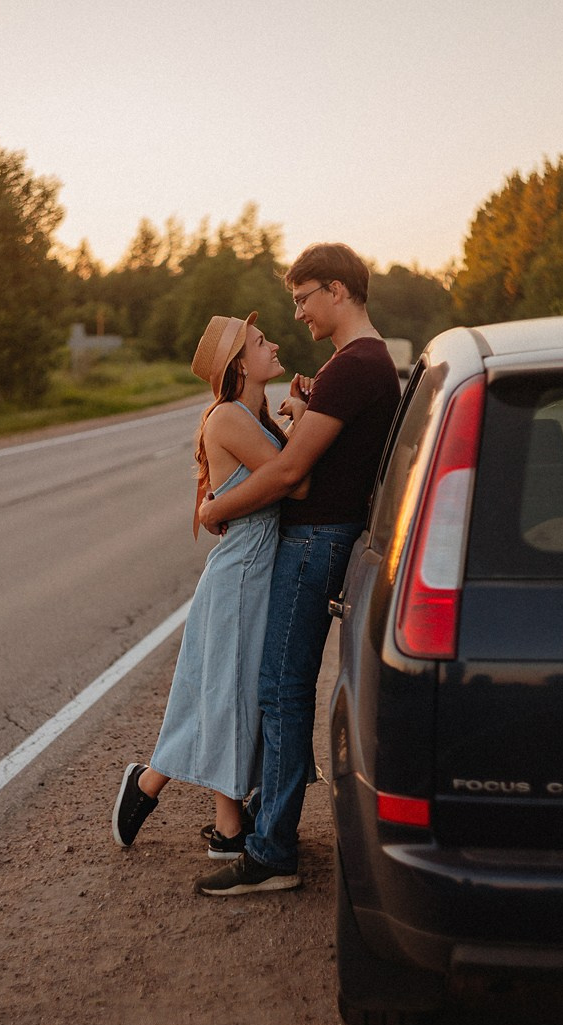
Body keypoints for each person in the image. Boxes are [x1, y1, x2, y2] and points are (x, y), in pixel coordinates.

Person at [194, 242, 401, 896]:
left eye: (303, 298)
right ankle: (270, 829)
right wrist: (306, 410)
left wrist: (214, 508)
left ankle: (272, 852)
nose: (298, 313)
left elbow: (288, 473)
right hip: (323, 538)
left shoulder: (355, 365)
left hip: (315, 541)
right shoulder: (358, 364)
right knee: (282, 686)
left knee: (282, 689)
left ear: (337, 290)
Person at [111, 311, 310, 858]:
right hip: (239, 578)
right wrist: (303, 419)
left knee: (230, 694)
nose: (273, 344)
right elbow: (293, 480)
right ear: (239, 365)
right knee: (228, 695)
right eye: (260, 342)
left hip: (256, 574)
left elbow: (282, 472)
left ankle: (152, 785)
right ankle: (225, 828)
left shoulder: (254, 417)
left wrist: (295, 417)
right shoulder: (227, 418)